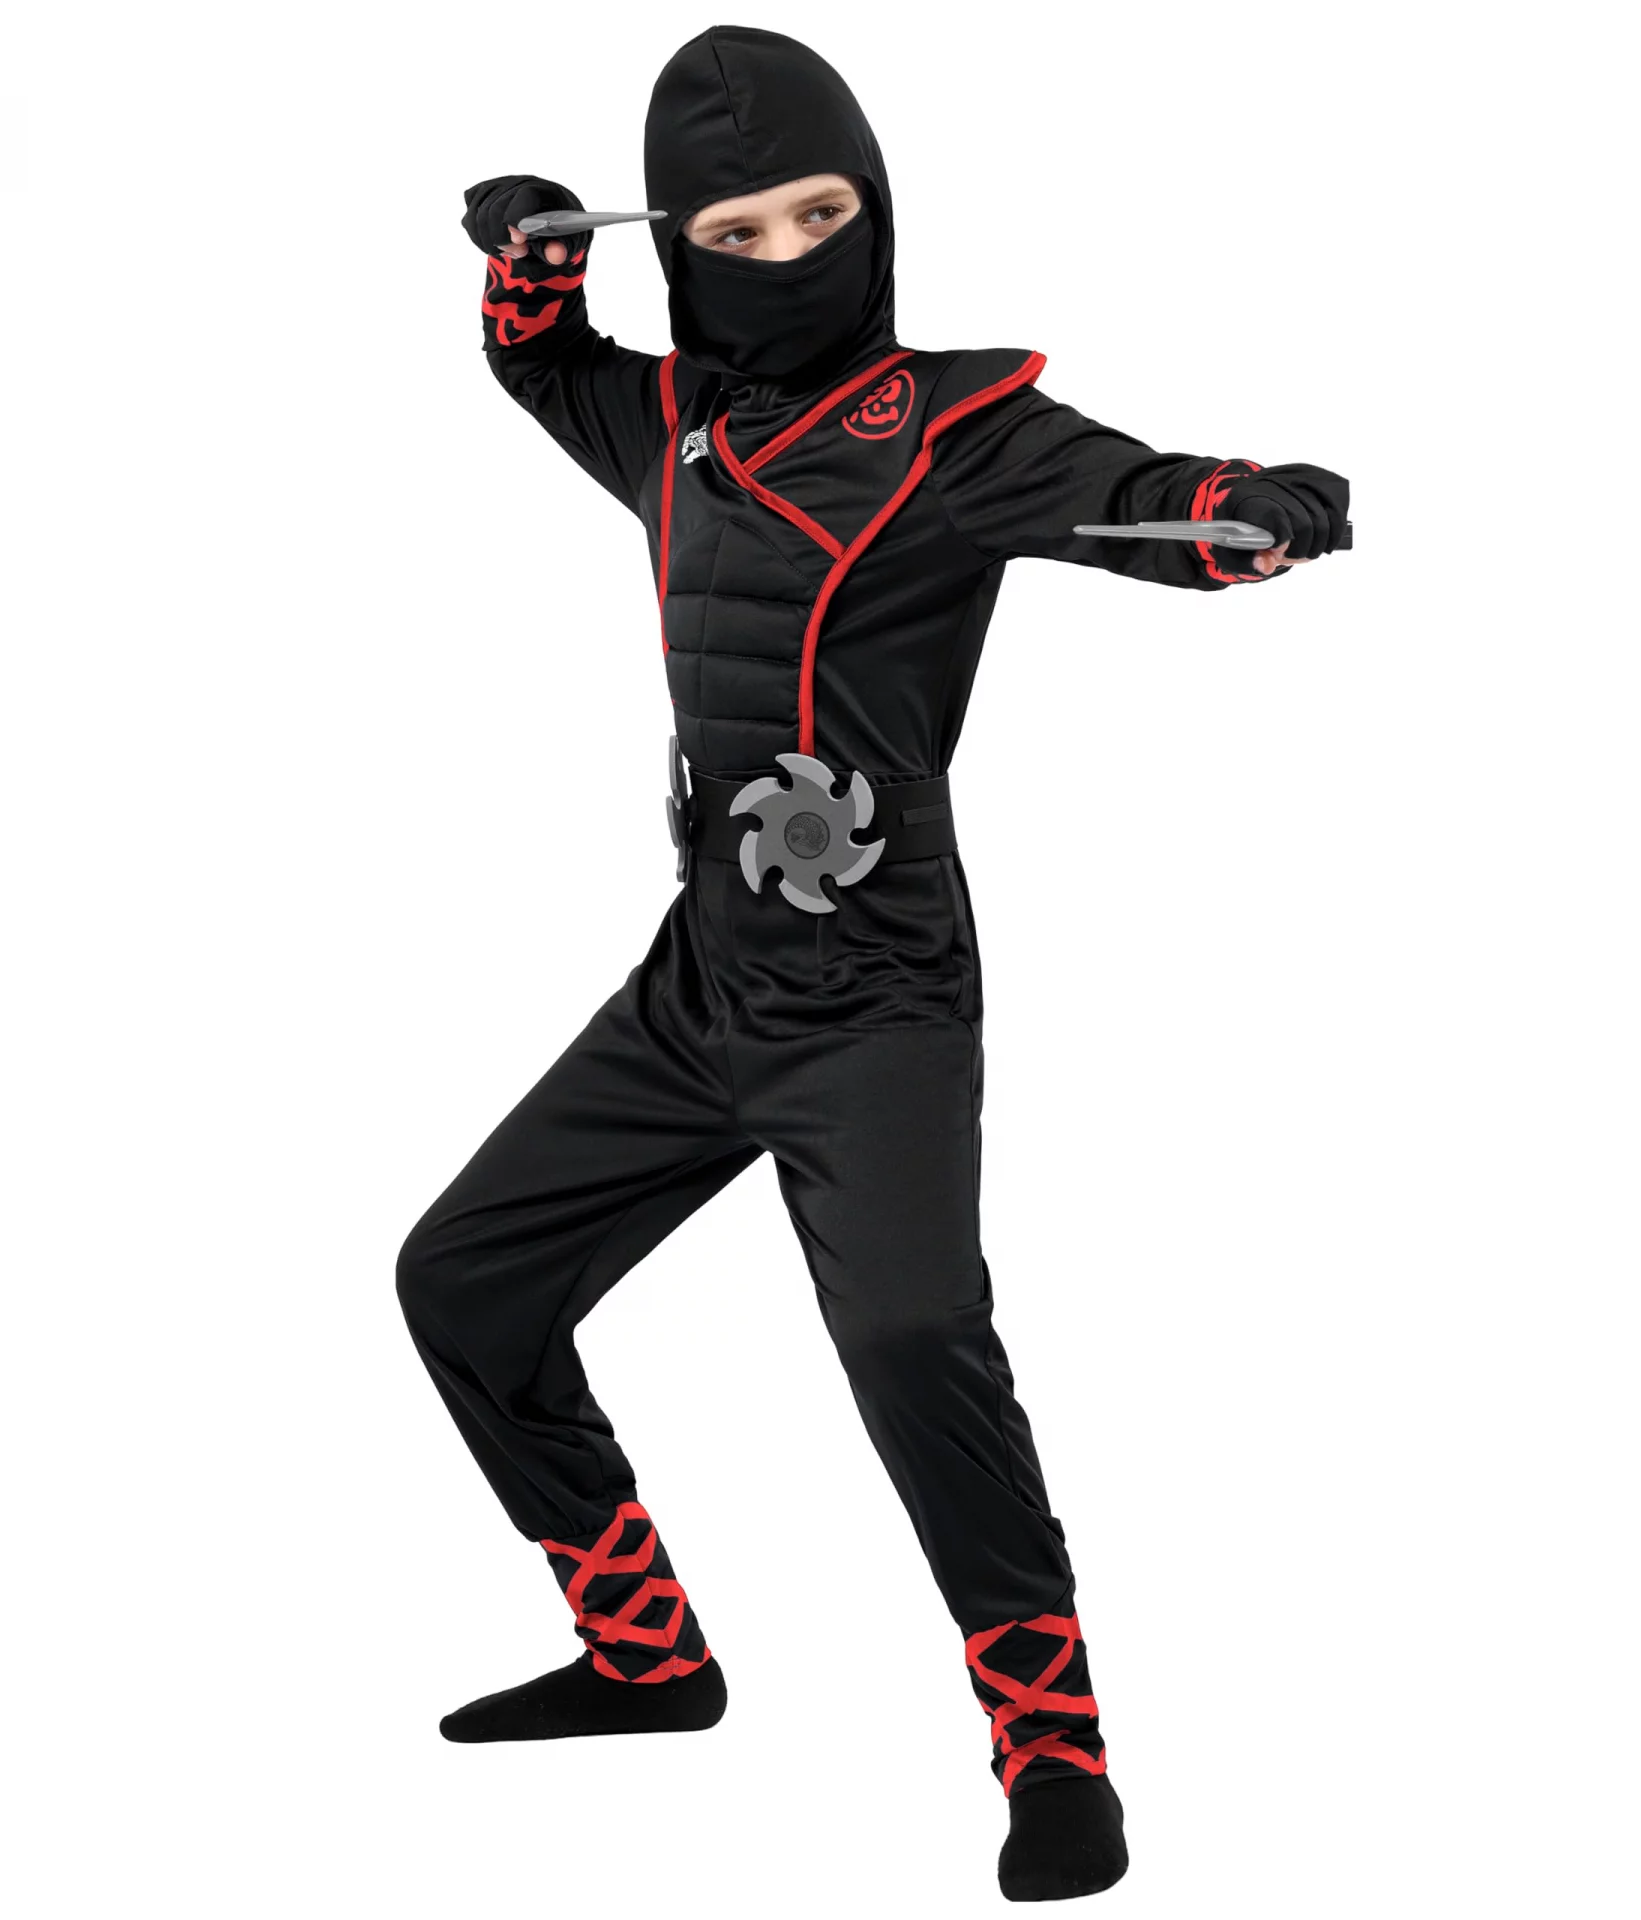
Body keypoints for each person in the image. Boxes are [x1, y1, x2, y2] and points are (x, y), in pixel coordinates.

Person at [397, 23, 1349, 1903]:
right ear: (684, 249)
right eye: (734, 232)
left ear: (880, 211)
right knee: (461, 1282)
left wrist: (1260, 512)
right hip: (702, 985)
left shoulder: (956, 432)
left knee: (915, 1342)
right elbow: (541, 365)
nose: (785, 254)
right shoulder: (670, 429)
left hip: (881, 995)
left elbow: (1147, 494)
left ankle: (1054, 1751)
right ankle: (646, 1658)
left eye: (820, 214)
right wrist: (528, 254)